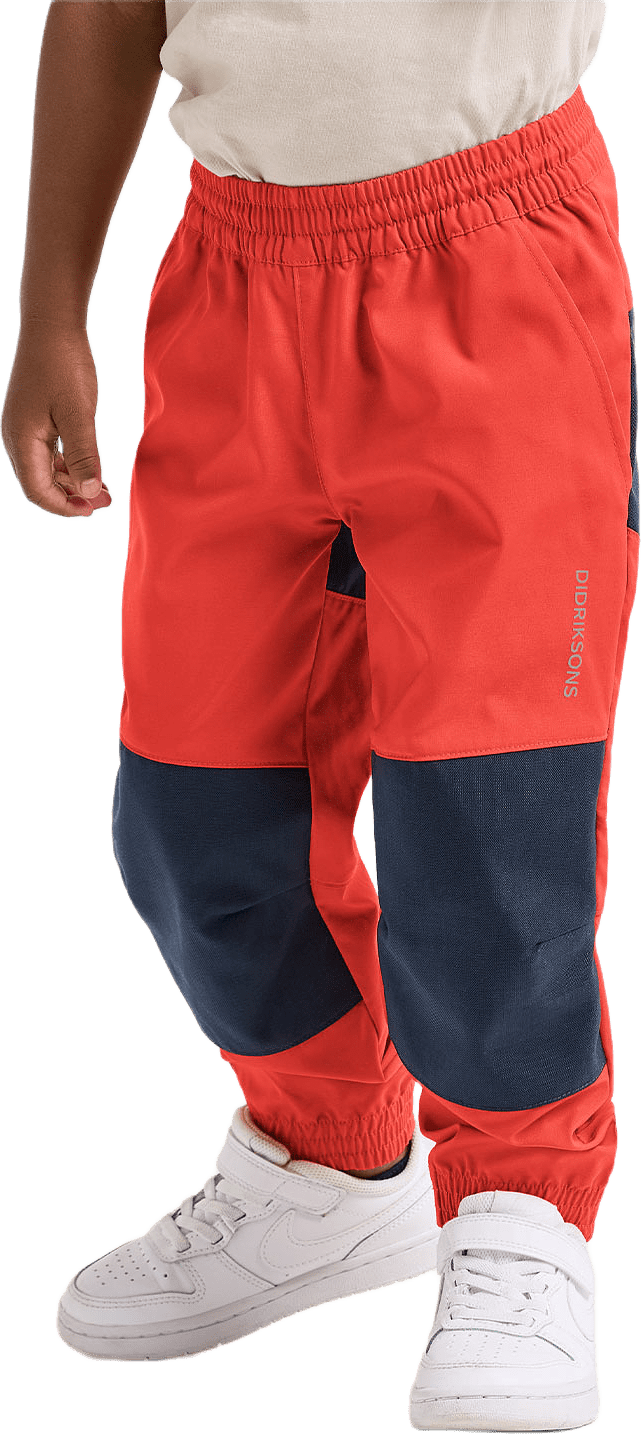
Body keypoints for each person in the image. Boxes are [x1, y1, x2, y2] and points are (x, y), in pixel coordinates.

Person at [1, 2, 637, 1429]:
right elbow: (107, 11)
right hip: (235, 273)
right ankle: (331, 1162)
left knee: (489, 808)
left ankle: (521, 1209)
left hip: (492, 260)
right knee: (195, 805)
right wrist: (51, 309)